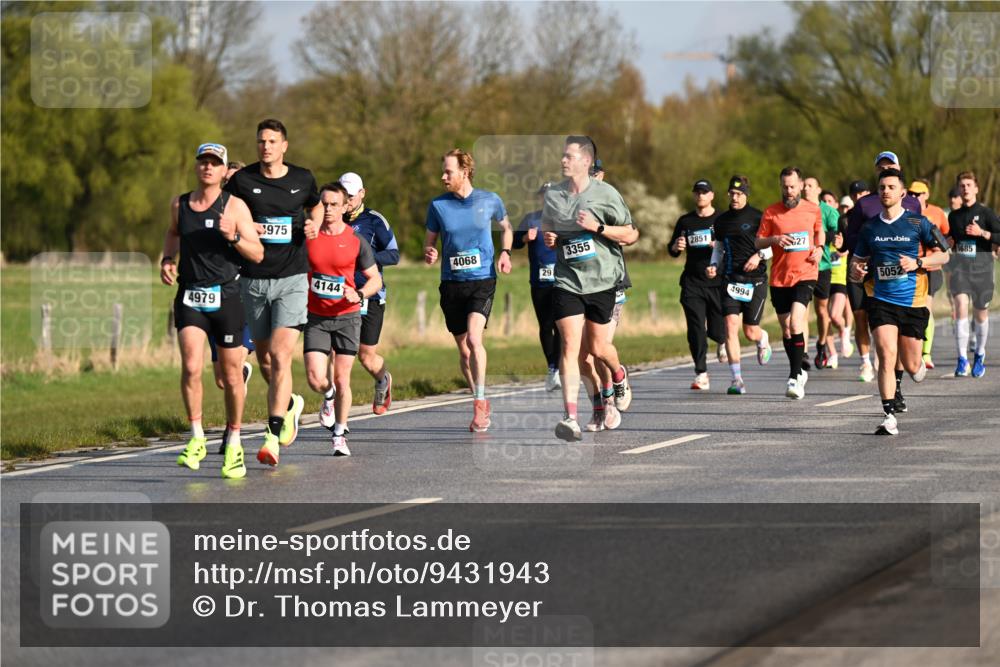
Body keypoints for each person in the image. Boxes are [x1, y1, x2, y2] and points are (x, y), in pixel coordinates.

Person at [223, 119, 323, 467]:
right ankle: (291, 404)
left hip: (292, 278)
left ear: (284, 146)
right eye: (261, 141)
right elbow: (228, 213)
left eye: (272, 141)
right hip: (252, 280)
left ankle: (272, 435)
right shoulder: (242, 181)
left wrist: (314, 222)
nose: (265, 146)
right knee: (265, 360)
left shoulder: (302, 178)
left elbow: (317, 204)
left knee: (281, 357)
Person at [161, 143, 263, 479]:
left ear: (223, 171)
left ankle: (234, 440)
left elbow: (257, 253)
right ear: (197, 167)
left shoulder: (235, 206)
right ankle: (196, 438)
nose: (208, 167)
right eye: (203, 162)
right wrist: (167, 259)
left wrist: (233, 236)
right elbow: (173, 233)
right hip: (190, 294)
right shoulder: (181, 204)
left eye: (214, 163)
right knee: (191, 366)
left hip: (228, 296)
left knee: (231, 376)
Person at [541, 136, 635, 441]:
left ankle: (618, 375)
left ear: (586, 161)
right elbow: (548, 227)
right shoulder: (554, 195)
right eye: (563, 156)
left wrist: (599, 228)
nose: (563, 161)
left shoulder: (606, 194)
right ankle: (571, 417)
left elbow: (631, 234)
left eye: (569, 156)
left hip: (603, 281)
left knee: (597, 349)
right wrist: (551, 237)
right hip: (568, 281)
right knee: (570, 349)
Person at [850, 168, 948, 435]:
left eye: (891, 187)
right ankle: (888, 415)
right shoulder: (869, 227)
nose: (885, 192)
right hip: (881, 299)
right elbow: (856, 265)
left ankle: (915, 368)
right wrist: (856, 272)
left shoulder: (918, 223)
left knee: (913, 366)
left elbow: (944, 256)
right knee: (885, 354)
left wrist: (918, 262)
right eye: (882, 187)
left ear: (903, 193)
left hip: (913, 302)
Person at [424, 148, 513, 432]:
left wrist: (506, 252)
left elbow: (507, 227)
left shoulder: (489, 200)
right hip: (452, 284)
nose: (443, 176)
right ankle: (480, 397)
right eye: (443, 171)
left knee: (475, 339)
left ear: (465, 171)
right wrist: (429, 252)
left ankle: (479, 402)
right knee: (464, 352)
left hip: (482, 280)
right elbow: (429, 241)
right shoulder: (438, 206)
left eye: (448, 171)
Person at [304, 182, 383, 456]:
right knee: (316, 378)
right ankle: (328, 396)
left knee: (342, 377)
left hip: (347, 317)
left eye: (333, 204)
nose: (328, 209)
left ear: (344, 206)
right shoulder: (310, 238)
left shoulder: (355, 241)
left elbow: (375, 279)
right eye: (324, 204)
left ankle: (339, 435)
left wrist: (359, 294)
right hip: (316, 316)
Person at [843, 153, 922, 383]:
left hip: (902, 277)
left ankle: (896, 378)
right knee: (860, 317)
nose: (885, 168)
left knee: (895, 334)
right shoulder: (864, 203)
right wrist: (866, 255)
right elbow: (853, 236)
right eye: (881, 167)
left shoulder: (912, 203)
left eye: (890, 165)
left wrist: (918, 262)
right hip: (867, 272)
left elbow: (922, 235)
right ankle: (866, 362)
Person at [336, 171, 400, 419]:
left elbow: (393, 254)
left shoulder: (375, 221)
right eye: (344, 195)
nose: (347, 200)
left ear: (362, 194)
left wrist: (364, 259)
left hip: (370, 297)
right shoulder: (332, 218)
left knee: (366, 356)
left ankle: (383, 379)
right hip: (339, 296)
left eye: (351, 196)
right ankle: (334, 406)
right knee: (336, 354)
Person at [756, 166, 824, 399]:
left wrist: (820, 249)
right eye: (785, 187)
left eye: (793, 186)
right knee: (786, 330)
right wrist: (774, 239)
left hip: (805, 273)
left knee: (796, 323)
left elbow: (819, 233)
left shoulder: (813, 210)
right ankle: (798, 366)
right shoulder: (771, 212)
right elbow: (758, 242)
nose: (789, 191)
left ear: (801, 185)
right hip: (779, 277)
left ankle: (795, 377)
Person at [707, 175, 773, 395]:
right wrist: (714, 265)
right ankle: (737, 379)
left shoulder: (758, 217)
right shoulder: (721, 221)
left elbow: (772, 247)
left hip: (756, 282)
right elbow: (717, 248)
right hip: (731, 280)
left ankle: (762, 338)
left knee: (750, 332)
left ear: (746, 195)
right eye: (732, 194)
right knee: (730, 327)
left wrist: (758, 256)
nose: (735, 198)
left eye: (739, 194)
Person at [668, 179, 726, 390]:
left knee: (718, 330)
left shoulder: (721, 219)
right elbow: (672, 249)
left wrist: (718, 246)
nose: (701, 195)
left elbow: (733, 247)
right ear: (694, 195)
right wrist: (677, 245)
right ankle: (701, 372)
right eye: (698, 192)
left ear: (712, 196)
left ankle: (722, 340)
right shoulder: (685, 221)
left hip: (717, 282)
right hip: (692, 282)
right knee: (695, 329)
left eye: (705, 192)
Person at [947, 171, 1000, 377]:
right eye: (962, 185)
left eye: (969, 185)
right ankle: (961, 358)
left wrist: (983, 234)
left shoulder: (986, 214)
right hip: (961, 270)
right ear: (959, 190)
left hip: (983, 271)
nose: (966, 188)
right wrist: (948, 242)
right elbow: (952, 240)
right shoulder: (954, 216)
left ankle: (979, 354)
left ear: (976, 188)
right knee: (960, 306)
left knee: (980, 315)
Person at [513, 183, 563, 391]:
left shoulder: (564, 218)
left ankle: (558, 368)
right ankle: (552, 367)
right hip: (539, 281)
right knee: (545, 325)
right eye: (544, 195)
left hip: (562, 280)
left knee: (561, 325)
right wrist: (526, 238)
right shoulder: (531, 219)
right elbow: (514, 242)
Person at [907, 179, 950, 369]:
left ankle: (926, 353)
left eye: (919, 194)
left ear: (927, 195)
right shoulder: (906, 213)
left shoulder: (937, 213)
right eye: (912, 194)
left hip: (932, 268)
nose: (915, 197)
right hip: (911, 268)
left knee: (926, 308)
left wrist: (943, 251)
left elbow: (948, 236)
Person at [803, 176, 843, 369]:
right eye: (804, 185)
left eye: (810, 186)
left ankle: (821, 344)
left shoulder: (828, 211)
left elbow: (837, 235)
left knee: (821, 311)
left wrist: (834, 240)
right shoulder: (796, 209)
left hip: (822, 266)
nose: (806, 189)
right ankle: (802, 351)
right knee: (801, 310)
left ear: (818, 189)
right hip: (800, 267)